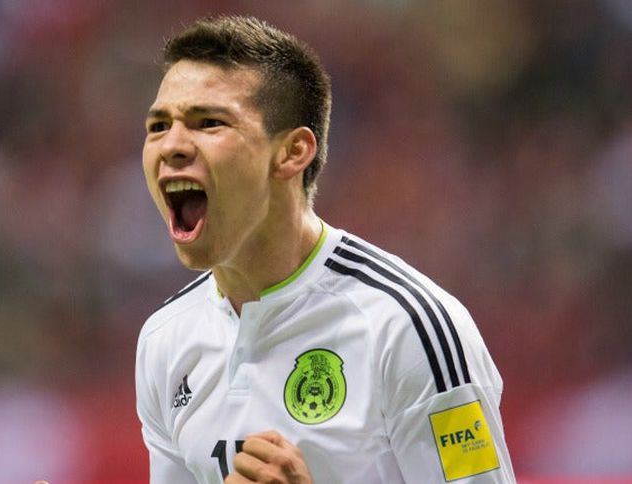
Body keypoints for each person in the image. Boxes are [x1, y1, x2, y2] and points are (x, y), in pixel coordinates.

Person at [135, 15, 515, 483]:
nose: (172, 145)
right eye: (159, 126)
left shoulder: (407, 328)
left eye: (209, 122)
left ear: (293, 152)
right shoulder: (165, 340)